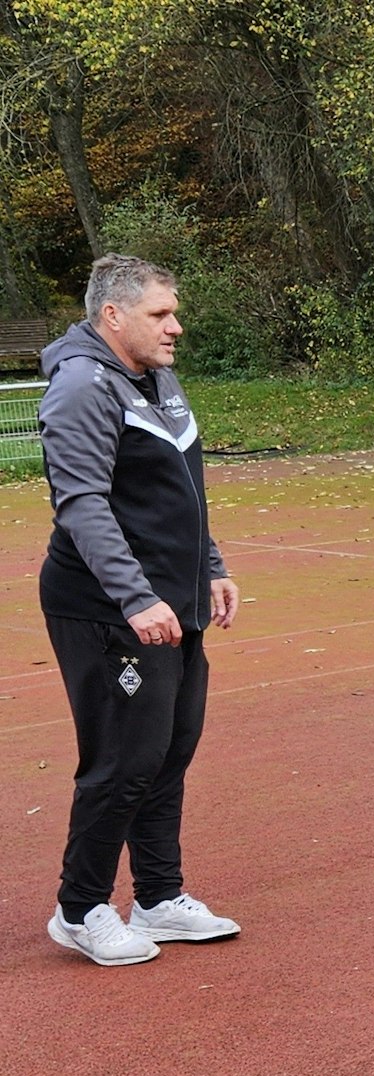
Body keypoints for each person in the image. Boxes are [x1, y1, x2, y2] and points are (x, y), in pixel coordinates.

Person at [38, 253, 242, 967]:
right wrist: (135, 595)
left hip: (172, 602)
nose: (176, 326)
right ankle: (79, 908)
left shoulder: (153, 376)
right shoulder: (80, 387)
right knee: (124, 760)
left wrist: (208, 567)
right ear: (113, 315)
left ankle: (157, 897)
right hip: (106, 607)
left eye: (174, 311)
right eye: (161, 313)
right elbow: (84, 504)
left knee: (169, 750)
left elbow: (180, 484)